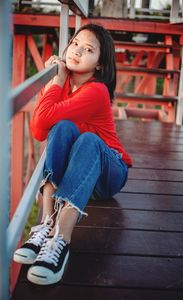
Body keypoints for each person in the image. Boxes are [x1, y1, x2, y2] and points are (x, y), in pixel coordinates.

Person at [13, 23, 132, 285]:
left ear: (100, 64)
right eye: (75, 43)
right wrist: (58, 81)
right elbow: (38, 130)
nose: (76, 51)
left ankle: (61, 239)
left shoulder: (96, 90)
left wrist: (55, 80)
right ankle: (45, 225)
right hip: (80, 173)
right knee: (63, 125)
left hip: (109, 173)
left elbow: (43, 116)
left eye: (88, 49)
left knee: (89, 139)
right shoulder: (63, 84)